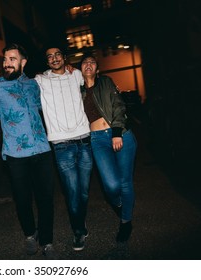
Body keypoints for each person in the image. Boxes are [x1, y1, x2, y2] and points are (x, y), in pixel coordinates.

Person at [0, 43, 57, 259]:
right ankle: (30, 234)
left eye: (12, 59)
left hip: (42, 150)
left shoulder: (34, 85)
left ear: (23, 62)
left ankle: (48, 242)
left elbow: (50, 106)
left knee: (45, 199)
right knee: (22, 199)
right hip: (15, 154)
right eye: (5, 59)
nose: (7, 64)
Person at [34, 46, 93, 251]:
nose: (54, 58)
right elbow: (20, 86)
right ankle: (78, 231)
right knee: (72, 191)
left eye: (57, 54)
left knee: (83, 192)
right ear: (47, 61)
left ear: (64, 58)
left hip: (84, 140)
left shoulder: (75, 74)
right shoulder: (40, 81)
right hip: (61, 145)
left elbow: (91, 80)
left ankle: (80, 222)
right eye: (49, 56)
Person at [80, 53, 137, 242]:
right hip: (97, 139)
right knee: (111, 186)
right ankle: (121, 206)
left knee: (125, 183)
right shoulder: (76, 89)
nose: (88, 64)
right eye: (84, 62)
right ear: (80, 69)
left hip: (120, 135)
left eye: (92, 62)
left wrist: (116, 132)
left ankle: (125, 222)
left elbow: (119, 106)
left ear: (97, 69)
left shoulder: (106, 82)